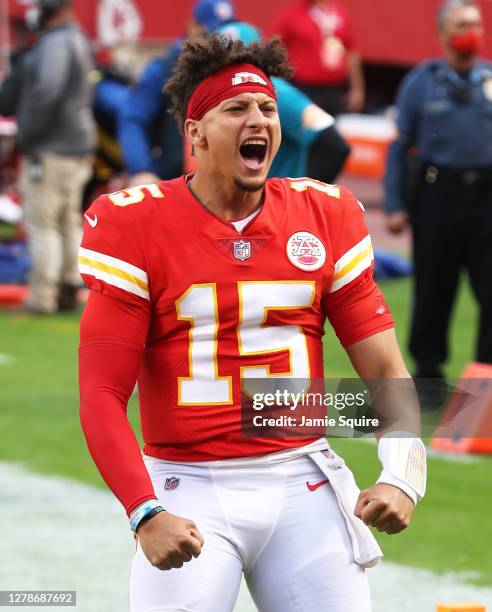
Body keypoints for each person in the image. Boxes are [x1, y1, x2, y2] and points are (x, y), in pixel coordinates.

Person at [79, 34, 426, 612]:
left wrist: (401, 476)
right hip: (186, 485)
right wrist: (144, 511)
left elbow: (386, 370)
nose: (257, 119)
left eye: (266, 107)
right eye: (236, 109)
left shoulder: (324, 215)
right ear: (194, 133)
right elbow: (100, 393)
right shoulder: (135, 226)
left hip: (302, 480)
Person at [383, 0, 492, 380]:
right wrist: (395, 205)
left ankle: (485, 376)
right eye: (463, 24)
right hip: (437, 199)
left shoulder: (489, 79)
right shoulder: (421, 82)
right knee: (433, 291)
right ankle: (428, 375)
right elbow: (399, 147)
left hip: (486, 200)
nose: (473, 31)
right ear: (444, 33)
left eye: (477, 23)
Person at [15, 0, 95, 313]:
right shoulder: (76, 37)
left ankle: (41, 297)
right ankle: (68, 287)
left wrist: (27, 134)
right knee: (66, 220)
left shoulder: (56, 42)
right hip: (75, 146)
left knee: (43, 222)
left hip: (52, 147)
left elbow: (47, 90)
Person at [118, 0, 235, 186]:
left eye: (222, 32)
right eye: (209, 32)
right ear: (193, 27)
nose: (216, 40)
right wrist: (140, 170)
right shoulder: (163, 69)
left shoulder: (228, 68)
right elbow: (134, 119)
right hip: (170, 179)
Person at [217, 21, 350, 182]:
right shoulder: (220, 91)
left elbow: (335, 146)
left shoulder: (277, 92)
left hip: (273, 200)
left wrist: (302, 197)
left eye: (238, 60)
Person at [269, 0, 365, 116]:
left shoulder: (339, 13)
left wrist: (357, 89)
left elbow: (351, 52)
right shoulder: (293, 13)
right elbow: (275, 47)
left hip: (334, 89)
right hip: (304, 89)